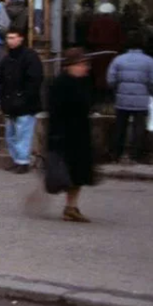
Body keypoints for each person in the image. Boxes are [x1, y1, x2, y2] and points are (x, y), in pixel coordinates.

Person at [48, 49, 97, 222]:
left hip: (79, 134)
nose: (85, 68)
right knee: (68, 172)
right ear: (70, 66)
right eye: (82, 64)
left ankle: (71, 207)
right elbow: (56, 111)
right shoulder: (60, 84)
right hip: (65, 135)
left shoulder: (82, 82)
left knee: (79, 174)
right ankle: (70, 207)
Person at [106, 31, 153, 164]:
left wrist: (117, 91)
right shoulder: (150, 61)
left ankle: (117, 153)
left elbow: (110, 80)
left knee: (120, 126)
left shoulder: (118, 60)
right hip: (141, 100)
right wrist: (149, 94)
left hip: (122, 100)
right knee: (139, 127)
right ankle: (136, 154)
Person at [0, 29, 44, 174]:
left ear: (21, 38)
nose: (10, 41)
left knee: (23, 133)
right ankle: (18, 160)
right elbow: (1, 80)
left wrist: (23, 97)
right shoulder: (6, 59)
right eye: (8, 38)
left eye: (13, 37)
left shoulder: (30, 57)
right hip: (10, 103)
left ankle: (23, 161)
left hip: (25, 103)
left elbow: (35, 80)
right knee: (11, 134)